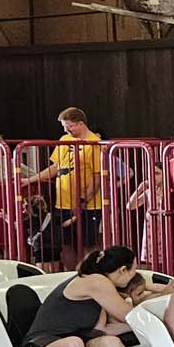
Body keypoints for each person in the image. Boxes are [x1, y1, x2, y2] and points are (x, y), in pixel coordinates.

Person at [22, 246, 152, 347]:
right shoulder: (96, 281)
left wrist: (148, 322)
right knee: (73, 343)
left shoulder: (98, 285)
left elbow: (103, 329)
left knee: (110, 342)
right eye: (134, 270)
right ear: (122, 270)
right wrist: (154, 315)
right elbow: (129, 315)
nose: (134, 275)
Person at [21, 107, 102, 259]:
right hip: (63, 202)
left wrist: (83, 200)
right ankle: (70, 272)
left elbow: (97, 177)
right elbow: (55, 167)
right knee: (65, 243)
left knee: (88, 244)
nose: (66, 130)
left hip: (88, 205)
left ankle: (91, 270)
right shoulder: (64, 140)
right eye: (64, 126)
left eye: (69, 126)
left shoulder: (95, 144)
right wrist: (29, 180)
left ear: (80, 123)